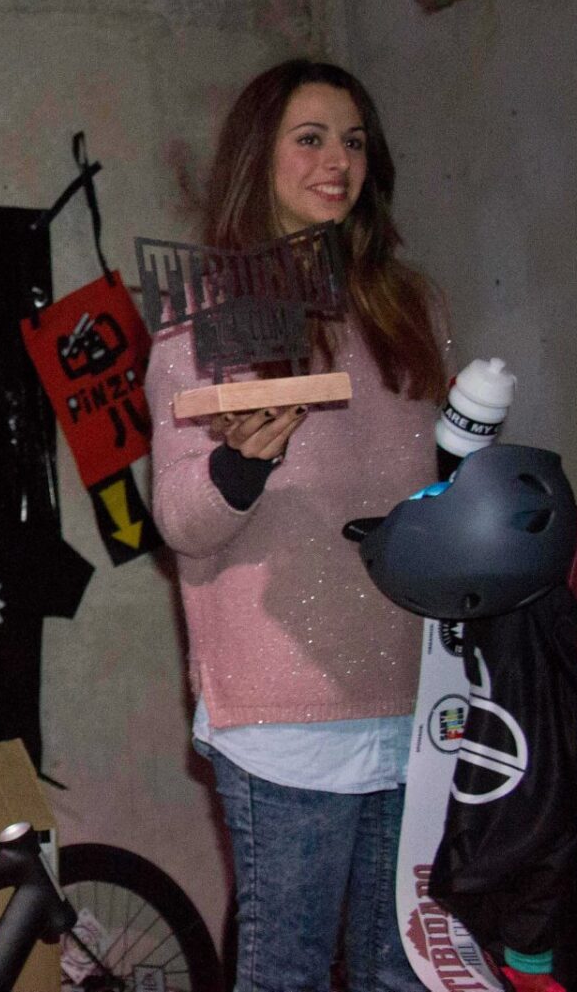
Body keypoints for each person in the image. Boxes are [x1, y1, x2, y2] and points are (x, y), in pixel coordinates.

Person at [149, 59, 444, 992]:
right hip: (284, 709)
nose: (337, 161)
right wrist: (242, 463)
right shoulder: (203, 314)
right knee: (289, 977)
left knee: (405, 975)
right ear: (258, 158)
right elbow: (181, 519)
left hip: (414, 693)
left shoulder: (408, 306)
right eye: (310, 138)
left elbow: (434, 479)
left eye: (353, 141)